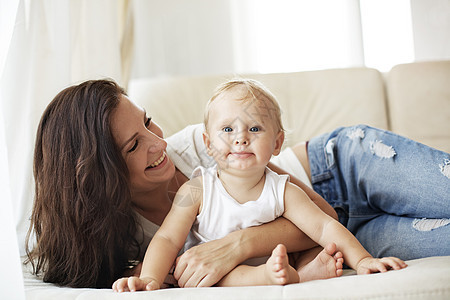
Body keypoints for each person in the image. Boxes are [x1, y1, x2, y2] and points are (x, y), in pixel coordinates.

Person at [26, 79, 450, 289]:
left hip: (338, 170)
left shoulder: (200, 147)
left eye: (148, 121)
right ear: (100, 175)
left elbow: (322, 213)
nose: (159, 144)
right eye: (135, 144)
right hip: (345, 243)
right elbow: (165, 275)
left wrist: (239, 244)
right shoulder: (132, 241)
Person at [112, 79, 407, 292]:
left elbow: (324, 226)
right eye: (227, 130)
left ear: (277, 143)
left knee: (313, 248)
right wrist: (150, 278)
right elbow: (167, 239)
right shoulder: (197, 189)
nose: (240, 138)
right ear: (208, 144)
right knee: (222, 276)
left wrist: (364, 259)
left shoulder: (284, 190)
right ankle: (284, 276)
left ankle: (300, 272)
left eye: (254, 129)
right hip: (231, 271)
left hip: (315, 205)